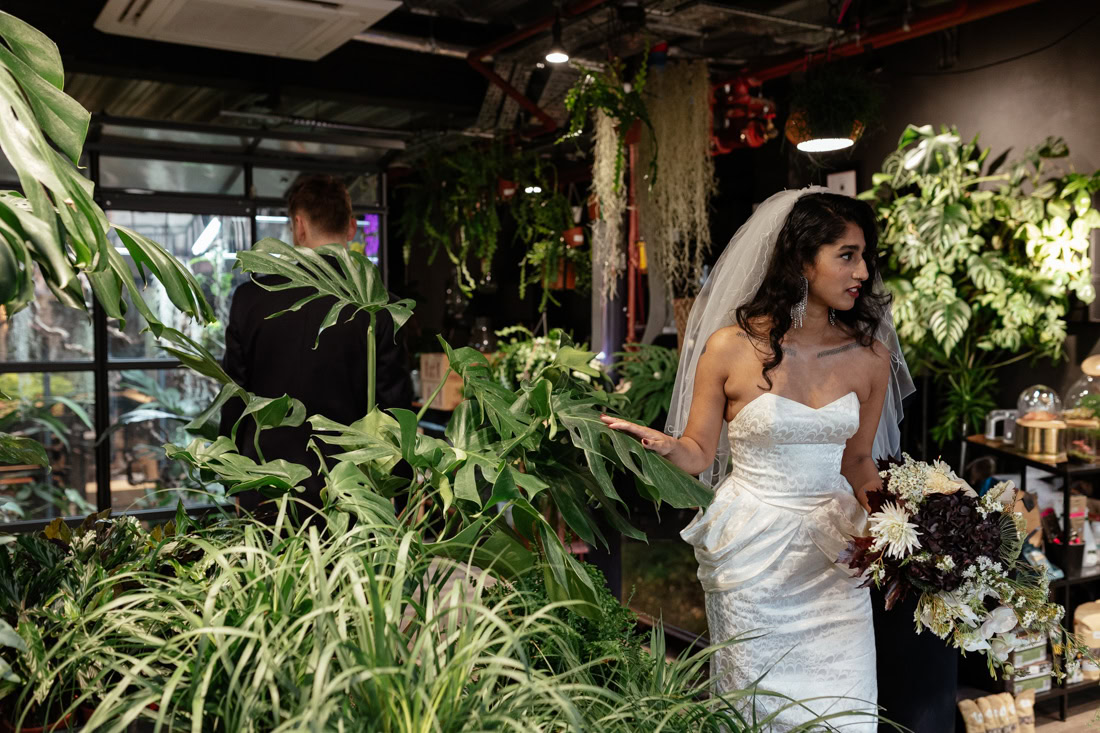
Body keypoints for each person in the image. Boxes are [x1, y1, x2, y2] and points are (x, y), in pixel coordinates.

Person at [601, 188, 914, 730]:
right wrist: (664, 446)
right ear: (800, 260)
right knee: (759, 710)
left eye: (864, 255)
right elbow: (698, 453)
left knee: (846, 711)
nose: (862, 270)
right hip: (754, 558)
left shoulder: (870, 356)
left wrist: (904, 525)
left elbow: (859, 460)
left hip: (836, 560)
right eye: (847, 254)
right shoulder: (728, 347)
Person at [219, 174, 413, 519]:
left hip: (267, 483)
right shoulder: (380, 307)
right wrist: (401, 491)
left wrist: (232, 476)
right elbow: (395, 410)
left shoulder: (251, 299)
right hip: (353, 491)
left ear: (298, 225)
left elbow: (234, 396)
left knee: (268, 573)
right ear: (352, 227)